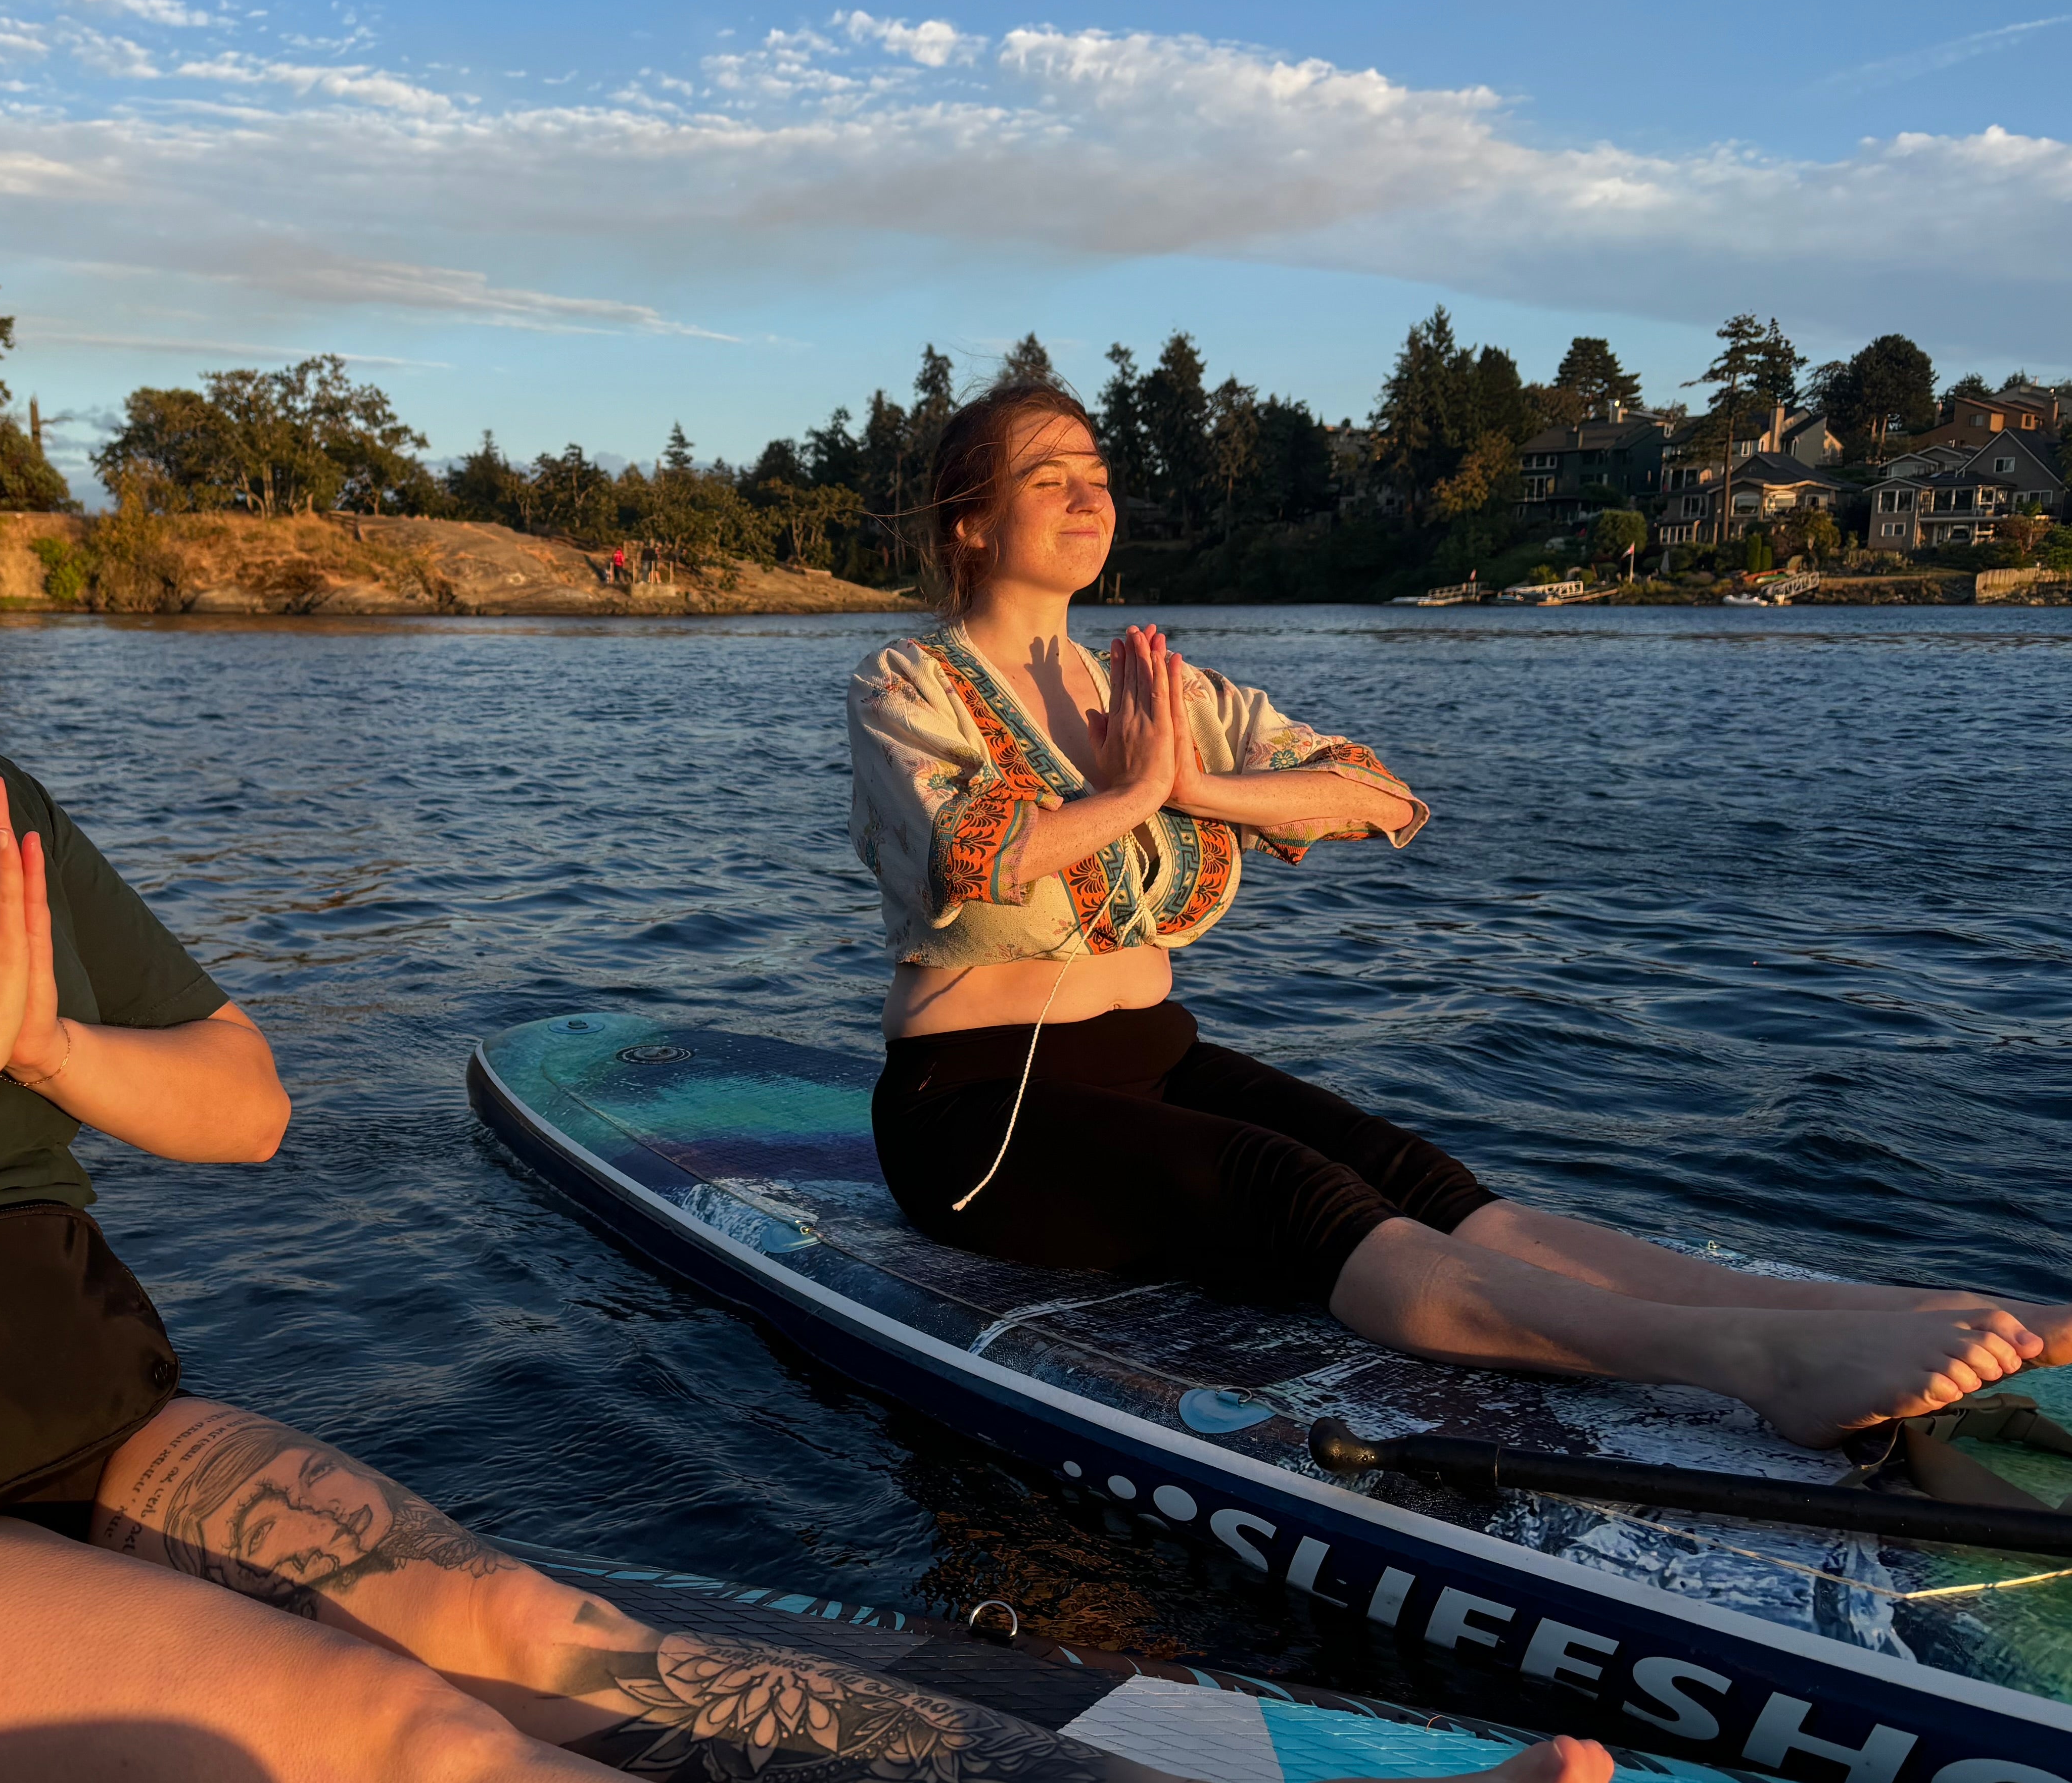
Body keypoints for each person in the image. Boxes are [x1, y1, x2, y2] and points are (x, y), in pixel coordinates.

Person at [0, 236, 1614, 1783]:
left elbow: (238, 1107)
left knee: (531, 1630)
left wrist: (29, 1044)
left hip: (58, 1438)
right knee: (393, 1767)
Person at [850, 380, 2065, 1453]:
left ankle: (1884, 1311)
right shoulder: (914, 685)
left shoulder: (1159, 687)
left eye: (1101, 479)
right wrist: (1133, 791)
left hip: (1156, 1060)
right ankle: (1761, 1368)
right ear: (970, 521)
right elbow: (982, 856)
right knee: (1291, 1193)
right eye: (1048, 480)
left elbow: (1381, 797)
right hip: (979, 1114)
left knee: (1424, 1180)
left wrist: (1199, 784)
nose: (1088, 501)